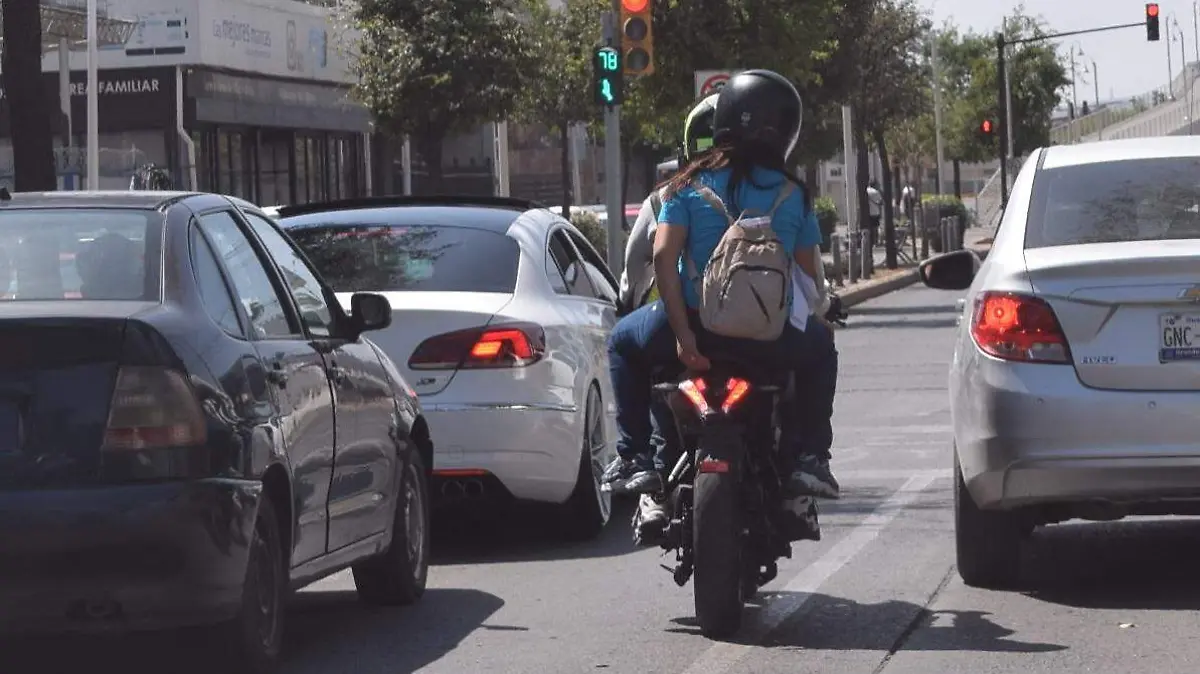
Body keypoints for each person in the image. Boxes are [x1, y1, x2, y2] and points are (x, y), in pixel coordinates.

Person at [602, 69, 840, 505]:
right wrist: (821, 312)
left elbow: (660, 259)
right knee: (822, 348)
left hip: (696, 333)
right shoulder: (794, 194)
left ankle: (635, 458)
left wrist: (684, 337)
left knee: (621, 342)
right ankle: (811, 458)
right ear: (787, 132)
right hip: (768, 340)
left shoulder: (685, 187)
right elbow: (811, 281)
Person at [609, 95, 719, 538]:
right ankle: (802, 469)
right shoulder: (770, 189)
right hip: (759, 329)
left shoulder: (671, 195)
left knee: (627, 344)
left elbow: (638, 267)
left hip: (685, 321)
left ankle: (641, 466)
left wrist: (630, 299)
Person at [866, 179, 883, 247]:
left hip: (867, 213)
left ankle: (869, 242)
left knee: (868, 228)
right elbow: (881, 202)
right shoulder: (876, 192)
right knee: (875, 228)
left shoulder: (865, 191)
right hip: (875, 212)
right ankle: (875, 242)